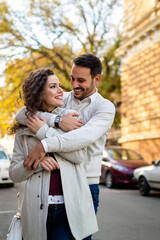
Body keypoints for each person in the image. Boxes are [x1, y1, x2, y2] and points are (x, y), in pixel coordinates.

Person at [16, 53, 116, 240]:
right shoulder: (65, 98)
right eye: (71, 78)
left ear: (97, 79)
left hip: (85, 184)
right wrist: (57, 120)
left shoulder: (104, 108)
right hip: (51, 185)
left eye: (81, 80)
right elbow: (22, 114)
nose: (74, 84)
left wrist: (44, 142)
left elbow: (81, 139)